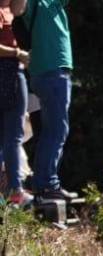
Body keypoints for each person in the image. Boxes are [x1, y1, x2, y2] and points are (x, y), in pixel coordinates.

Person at [18, 0, 72, 201]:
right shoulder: (35, 3)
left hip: (50, 71)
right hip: (51, 70)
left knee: (53, 129)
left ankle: (44, 181)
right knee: (57, 129)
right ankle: (47, 183)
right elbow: (17, 8)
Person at [0, 0, 28, 206]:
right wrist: (17, 53)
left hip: (9, 70)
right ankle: (15, 190)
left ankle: (11, 189)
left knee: (8, 134)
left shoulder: (9, 9)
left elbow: (20, 7)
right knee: (13, 134)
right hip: (8, 71)